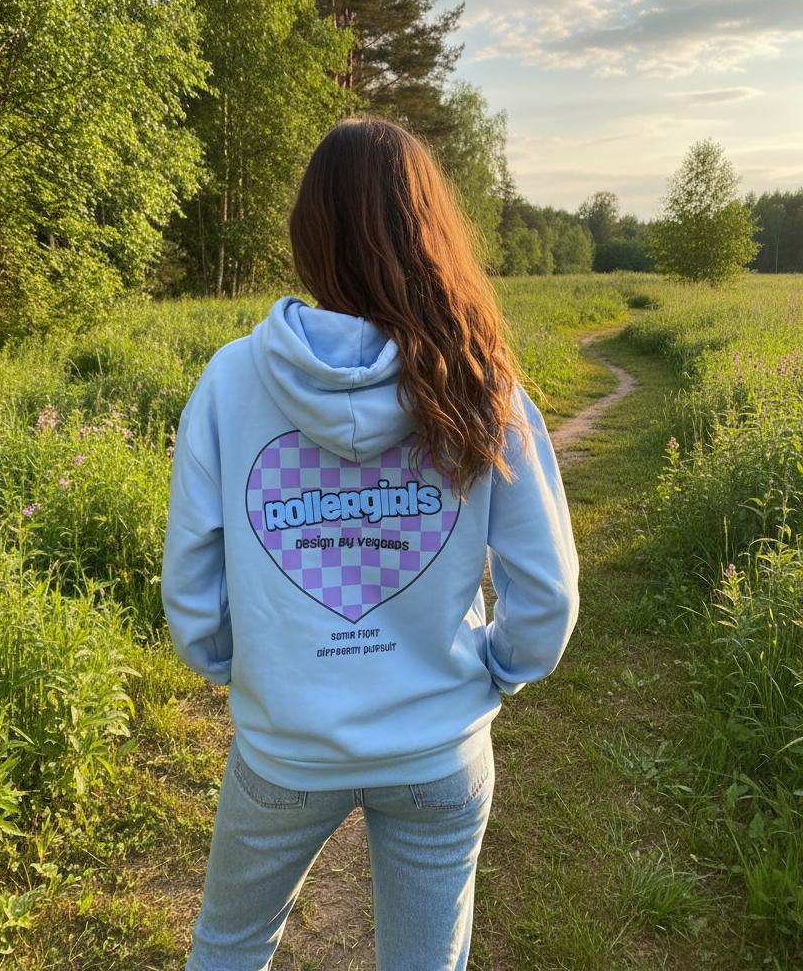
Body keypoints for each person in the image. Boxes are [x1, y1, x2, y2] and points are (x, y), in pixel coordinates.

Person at [161, 117, 579, 971]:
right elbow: (548, 594)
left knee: (230, 945)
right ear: (431, 232)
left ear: (308, 235)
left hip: (285, 747)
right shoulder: (479, 380)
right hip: (438, 748)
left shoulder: (232, 381)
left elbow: (193, 583)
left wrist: (243, 668)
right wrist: (500, 669)